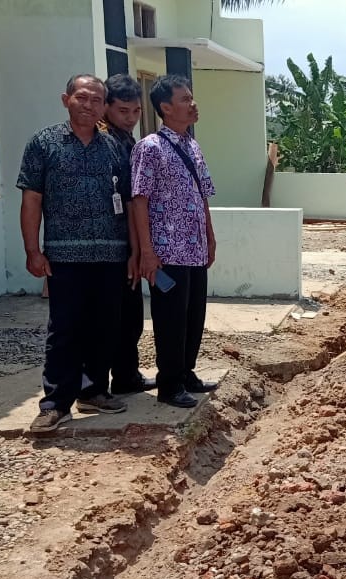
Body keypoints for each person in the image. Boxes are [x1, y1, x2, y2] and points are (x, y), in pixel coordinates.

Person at [18, 74, 131, 433]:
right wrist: (33, 250)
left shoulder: (113, 147)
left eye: (97, 100)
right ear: (65, 99)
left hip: (111, 255)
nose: (89, 104)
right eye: (82, 97)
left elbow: (128, 202)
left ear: (104, 107)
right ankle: (55, 403)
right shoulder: (44, 143)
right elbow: (31, 199)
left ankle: (94, 389)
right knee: (64, 329)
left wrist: (133, 251)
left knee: (105, 327)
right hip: (64, 257)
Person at [131, 74, 219, 409]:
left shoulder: (192, 146)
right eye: (185, 99)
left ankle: (186, 372)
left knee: (194, 314)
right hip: (168, 253)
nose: (193, 104)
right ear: (166, 107)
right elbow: (139, 198)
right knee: (170, 319)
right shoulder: (150, 148)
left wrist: (209, 236)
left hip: (194, 249)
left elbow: (203, 194)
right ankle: (169, 384)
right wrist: (147, 252)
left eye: (192, 98)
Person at [98, 73, 157, 395]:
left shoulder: (127, 140)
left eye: (135, 111)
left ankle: (126, 376)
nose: (131, 118)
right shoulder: (100, 141)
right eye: (123, 111)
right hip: (107, 244)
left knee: (131, 316)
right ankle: (96, 384)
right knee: (108, 319)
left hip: (127, 242)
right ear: (107, 107)